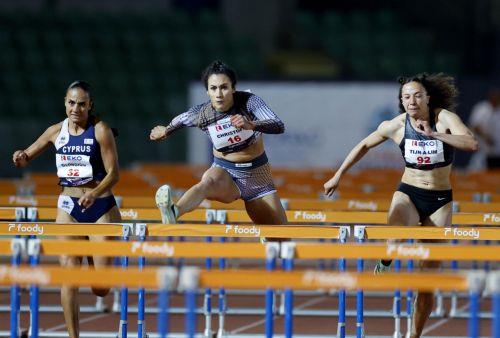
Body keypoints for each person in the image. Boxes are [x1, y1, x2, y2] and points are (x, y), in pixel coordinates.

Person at [323, 73, 478, 338]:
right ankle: (387, 256)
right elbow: (364, 145)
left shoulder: (444, 119)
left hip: (440, 200)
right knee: (395, 232)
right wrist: (338, 175)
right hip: (409, 192)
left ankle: (414, 334)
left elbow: (471, 142)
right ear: (401, 101)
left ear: (428, 97)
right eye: (406, 97)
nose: (412, 101)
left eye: (417, 95)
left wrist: (438, 136)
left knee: (427, 281)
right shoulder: (395, 125)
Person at [12, 81, 121, 338]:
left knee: (101, 288)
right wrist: (21, 156)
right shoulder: (55, 131)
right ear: (65, 102)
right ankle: (74, 337)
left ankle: (98, 270)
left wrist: (94, 193)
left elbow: (114, 174)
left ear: (90, 105)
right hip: (68, 207)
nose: (76, 108)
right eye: (72, 103)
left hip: (100, 207)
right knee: (68, 276)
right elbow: (27, 154)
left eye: (82, 104)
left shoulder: (100, 131)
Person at [150, 60, 288, 228]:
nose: (219, 94)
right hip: (225, 172)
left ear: (233, 88)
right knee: (207, 182)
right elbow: (181, 119)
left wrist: (252, 124)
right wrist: (166, 130)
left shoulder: (250, 102)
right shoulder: (202, 114)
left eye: (224, 87)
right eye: (213, 88)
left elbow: (278, 124)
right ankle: (174, 211)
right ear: (207, 91)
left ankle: (268, 239)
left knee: (280, 236)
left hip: (258, 177)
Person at [468, 87, 500, 169]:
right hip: (483, 150)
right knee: (480, 173)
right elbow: (474, 125)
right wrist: (485, 137)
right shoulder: (481, 108)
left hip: (497, 151)